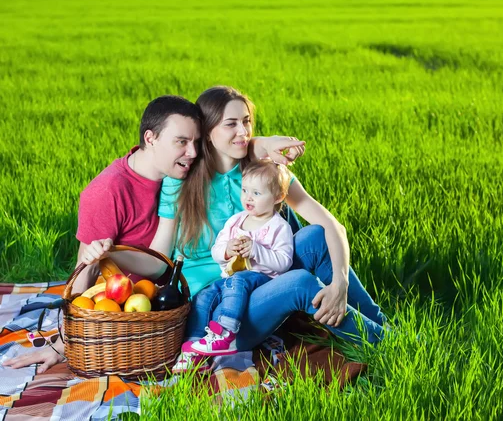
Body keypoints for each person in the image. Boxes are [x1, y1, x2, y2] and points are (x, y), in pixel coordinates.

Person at [82, 86, 386, 372]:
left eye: (247, 121)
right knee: (299, 283)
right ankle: (389, 345)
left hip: (263, 276)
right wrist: (113, 254)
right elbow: (158, 259)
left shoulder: (263, 173)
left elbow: (332, 226)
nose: (243, 132)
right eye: (231, 124)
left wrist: (340, 286)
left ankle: (384, 327)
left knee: (317, 236)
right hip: (223, 309)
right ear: (208, 133)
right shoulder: (181, 181)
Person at [1, 94, 306, 374]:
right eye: (181, 142)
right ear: (151, 138)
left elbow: (229, 141)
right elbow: (85, 269)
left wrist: (263, 143)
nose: (193, 152)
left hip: (181, 291)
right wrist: (63, 343)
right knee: (296, 276)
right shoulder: (106, 193)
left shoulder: (180, 171)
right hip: (142, 309)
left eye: (196, 142)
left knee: (296, 229)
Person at [188, 159, 295, 356]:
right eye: (245, 190)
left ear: (278, 197)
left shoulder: (279, 227)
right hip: (230, 280)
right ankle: (194, 345)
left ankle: (226, 331)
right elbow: (216, 250)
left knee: (238, 279)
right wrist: (227, 250)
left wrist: (256, 251)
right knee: (204, 295)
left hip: (263, 281)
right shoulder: (236, 221)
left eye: (257, 193)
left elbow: (284, 263)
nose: (248, 198)